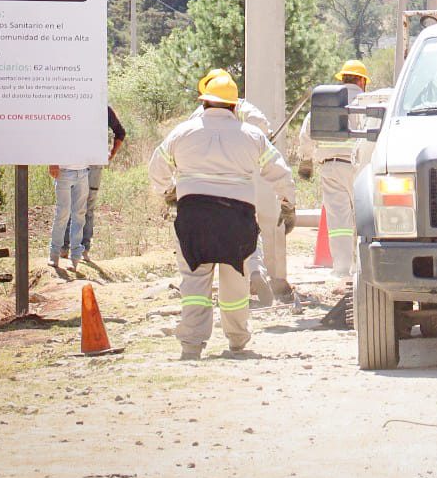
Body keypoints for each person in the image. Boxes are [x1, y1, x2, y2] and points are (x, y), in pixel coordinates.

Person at [149, 68, 296, 360]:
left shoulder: (182, 132)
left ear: (204, 102)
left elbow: (157, 168)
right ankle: (237, 341)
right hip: (236, 220)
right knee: (234, 283)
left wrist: (168, 192)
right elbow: (280, 173)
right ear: (233, 105)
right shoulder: (252, 136)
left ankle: (191, 345)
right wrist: (287, 205)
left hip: (194, 218)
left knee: (194, 282)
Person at [298, 59, 369, 280]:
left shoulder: (326, 101)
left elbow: (307, 131)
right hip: (361, 170)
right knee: (364, 218)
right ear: (361, 80)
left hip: (331, 167)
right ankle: (363, 269)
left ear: (343, 78)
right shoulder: (369, 101)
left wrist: (306, 160)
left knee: (339, 222)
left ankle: (341, 269)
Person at [61, 105, 126, 263]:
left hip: (93, 163)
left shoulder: (103, 109)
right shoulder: (73, 105)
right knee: (73, 204)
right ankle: (66, 247)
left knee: (87, 206)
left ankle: (82, 248)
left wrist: (111, 153)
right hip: (75, 162)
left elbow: (120, 132)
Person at [48, 162, 90, 274]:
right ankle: (54, 254)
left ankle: (74, 258)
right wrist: (52, 162)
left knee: (79, 215)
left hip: (83, 171)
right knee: (62, 214)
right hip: (63, 171)